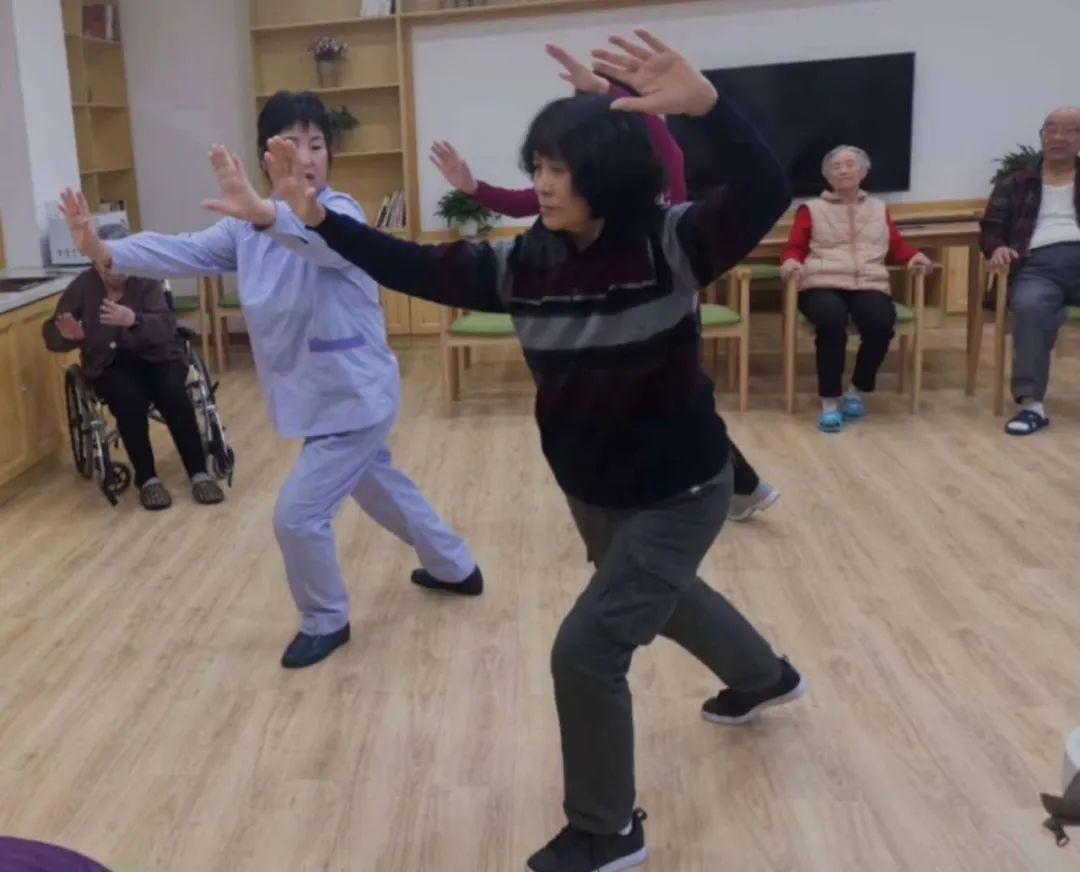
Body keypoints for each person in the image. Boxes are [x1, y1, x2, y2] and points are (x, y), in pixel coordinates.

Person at [211, 31, 806, 871]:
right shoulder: (525, 264)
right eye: (540, 167)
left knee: (587, 651)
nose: (544, 183)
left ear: (606, 173)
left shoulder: (672, 245)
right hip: (593, 489)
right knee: (661, 595)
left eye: (561, 169)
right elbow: (414, 266)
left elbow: (765, 188)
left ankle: (607, 830)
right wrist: (312, 219)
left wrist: (708, 108)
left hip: (680, 490)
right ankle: (764, 676)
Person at [59, 91, 483, 670]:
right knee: (378, 485)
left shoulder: (342, 213)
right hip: (321, 398)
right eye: (292, 145)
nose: (306, 158)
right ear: (267, 157)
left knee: (297, 517)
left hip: (355, 397)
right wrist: (104, 249)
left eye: (317, 145)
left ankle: (325, 619)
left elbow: (317, 240)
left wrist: (265, 212)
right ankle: (455, 567)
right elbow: (182, 251)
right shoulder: (245, 229)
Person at [429, 43, 781, 522]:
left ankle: (733, 487)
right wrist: (472, 187)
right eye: (542, 167)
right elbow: (524, 200)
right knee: (646, 403)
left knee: (669, 399)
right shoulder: (580, 197)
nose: (547, 180)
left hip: (662, 291)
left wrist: (604, 90)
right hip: (614, 316)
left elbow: (651, 132)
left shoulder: (657, 177)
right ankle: (732, 488)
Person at [42, 261, 225, 510]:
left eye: (122, 265)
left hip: (158, 357)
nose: (117, 273)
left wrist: (134, 321)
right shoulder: (83, 286)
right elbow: (53, 333)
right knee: (128, 400)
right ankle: (147, 479)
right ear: (96, 264)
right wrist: (69, 336)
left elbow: (165, 326)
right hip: (109, 364)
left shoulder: (146, 281)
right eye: (108, 267)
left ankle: (199, 474)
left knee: (174, 394)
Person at [780, 145, 931, 433]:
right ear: (828, 177)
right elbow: (794, 247)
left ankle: (856, 390)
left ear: (863, 172)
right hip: (821, 280)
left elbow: (895, 245)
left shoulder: (879, 208)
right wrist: (790, 262)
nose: (844, 170)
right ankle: (829, 401)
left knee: (881, 322)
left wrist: (914, 256)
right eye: (836, 167)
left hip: (868, 281)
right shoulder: (812, 209)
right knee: (831, 321)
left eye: (850, 165)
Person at [980, 106, 1080, 435]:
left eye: (1069, 130)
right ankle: (1031, 405)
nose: (1058, 137)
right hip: (1037, 264)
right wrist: (997, 248)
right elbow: (991, 227)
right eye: (1050, 130)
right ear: (1041, 137)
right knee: (1029, 307)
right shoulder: (1016, 183)